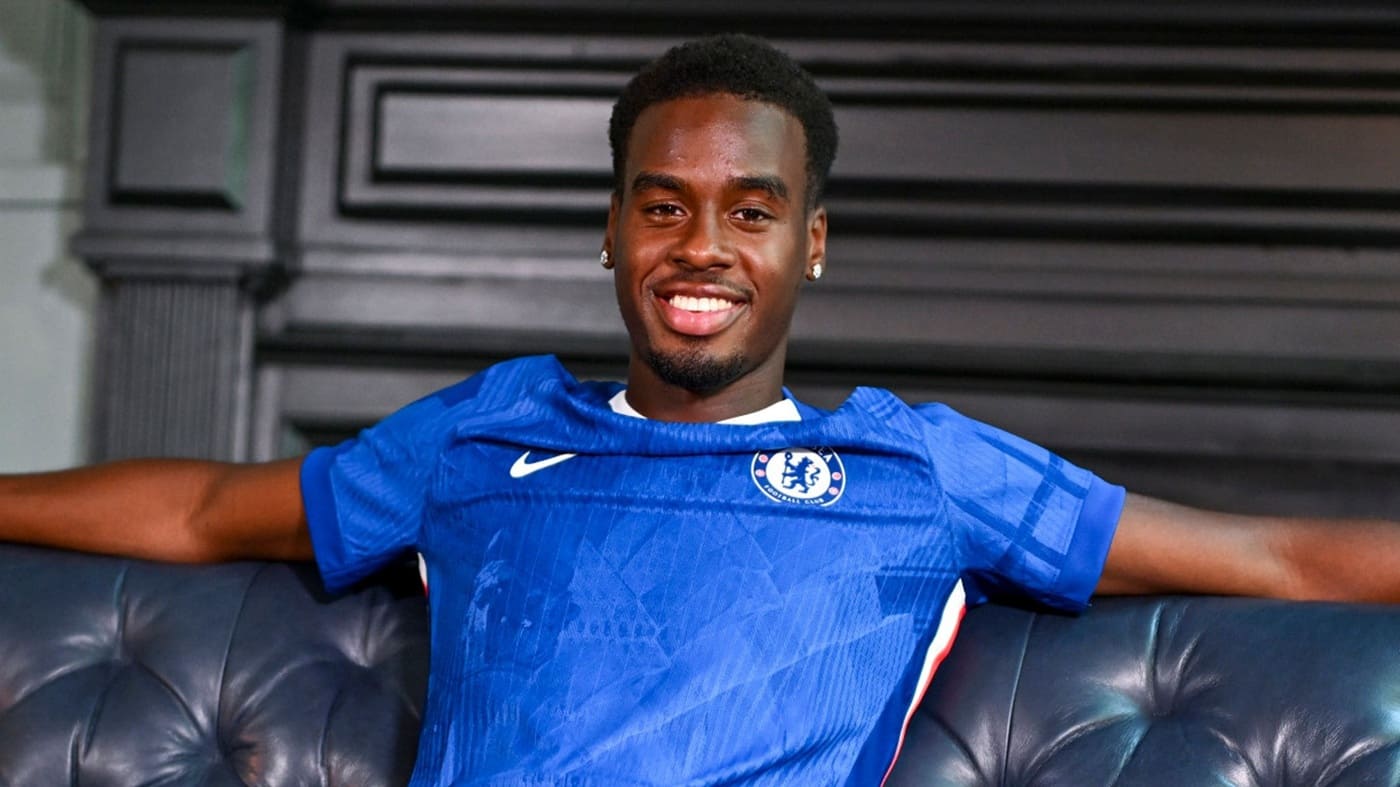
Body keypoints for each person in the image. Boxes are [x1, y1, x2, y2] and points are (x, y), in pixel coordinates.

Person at [1, 33, 1398, 787]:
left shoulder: (915, 467)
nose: (702, 249)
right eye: (662, 206)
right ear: (611, 231)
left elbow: (1274, 558)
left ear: (811, 245)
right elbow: (205, 509)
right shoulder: (483, 433)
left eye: (752, 211)